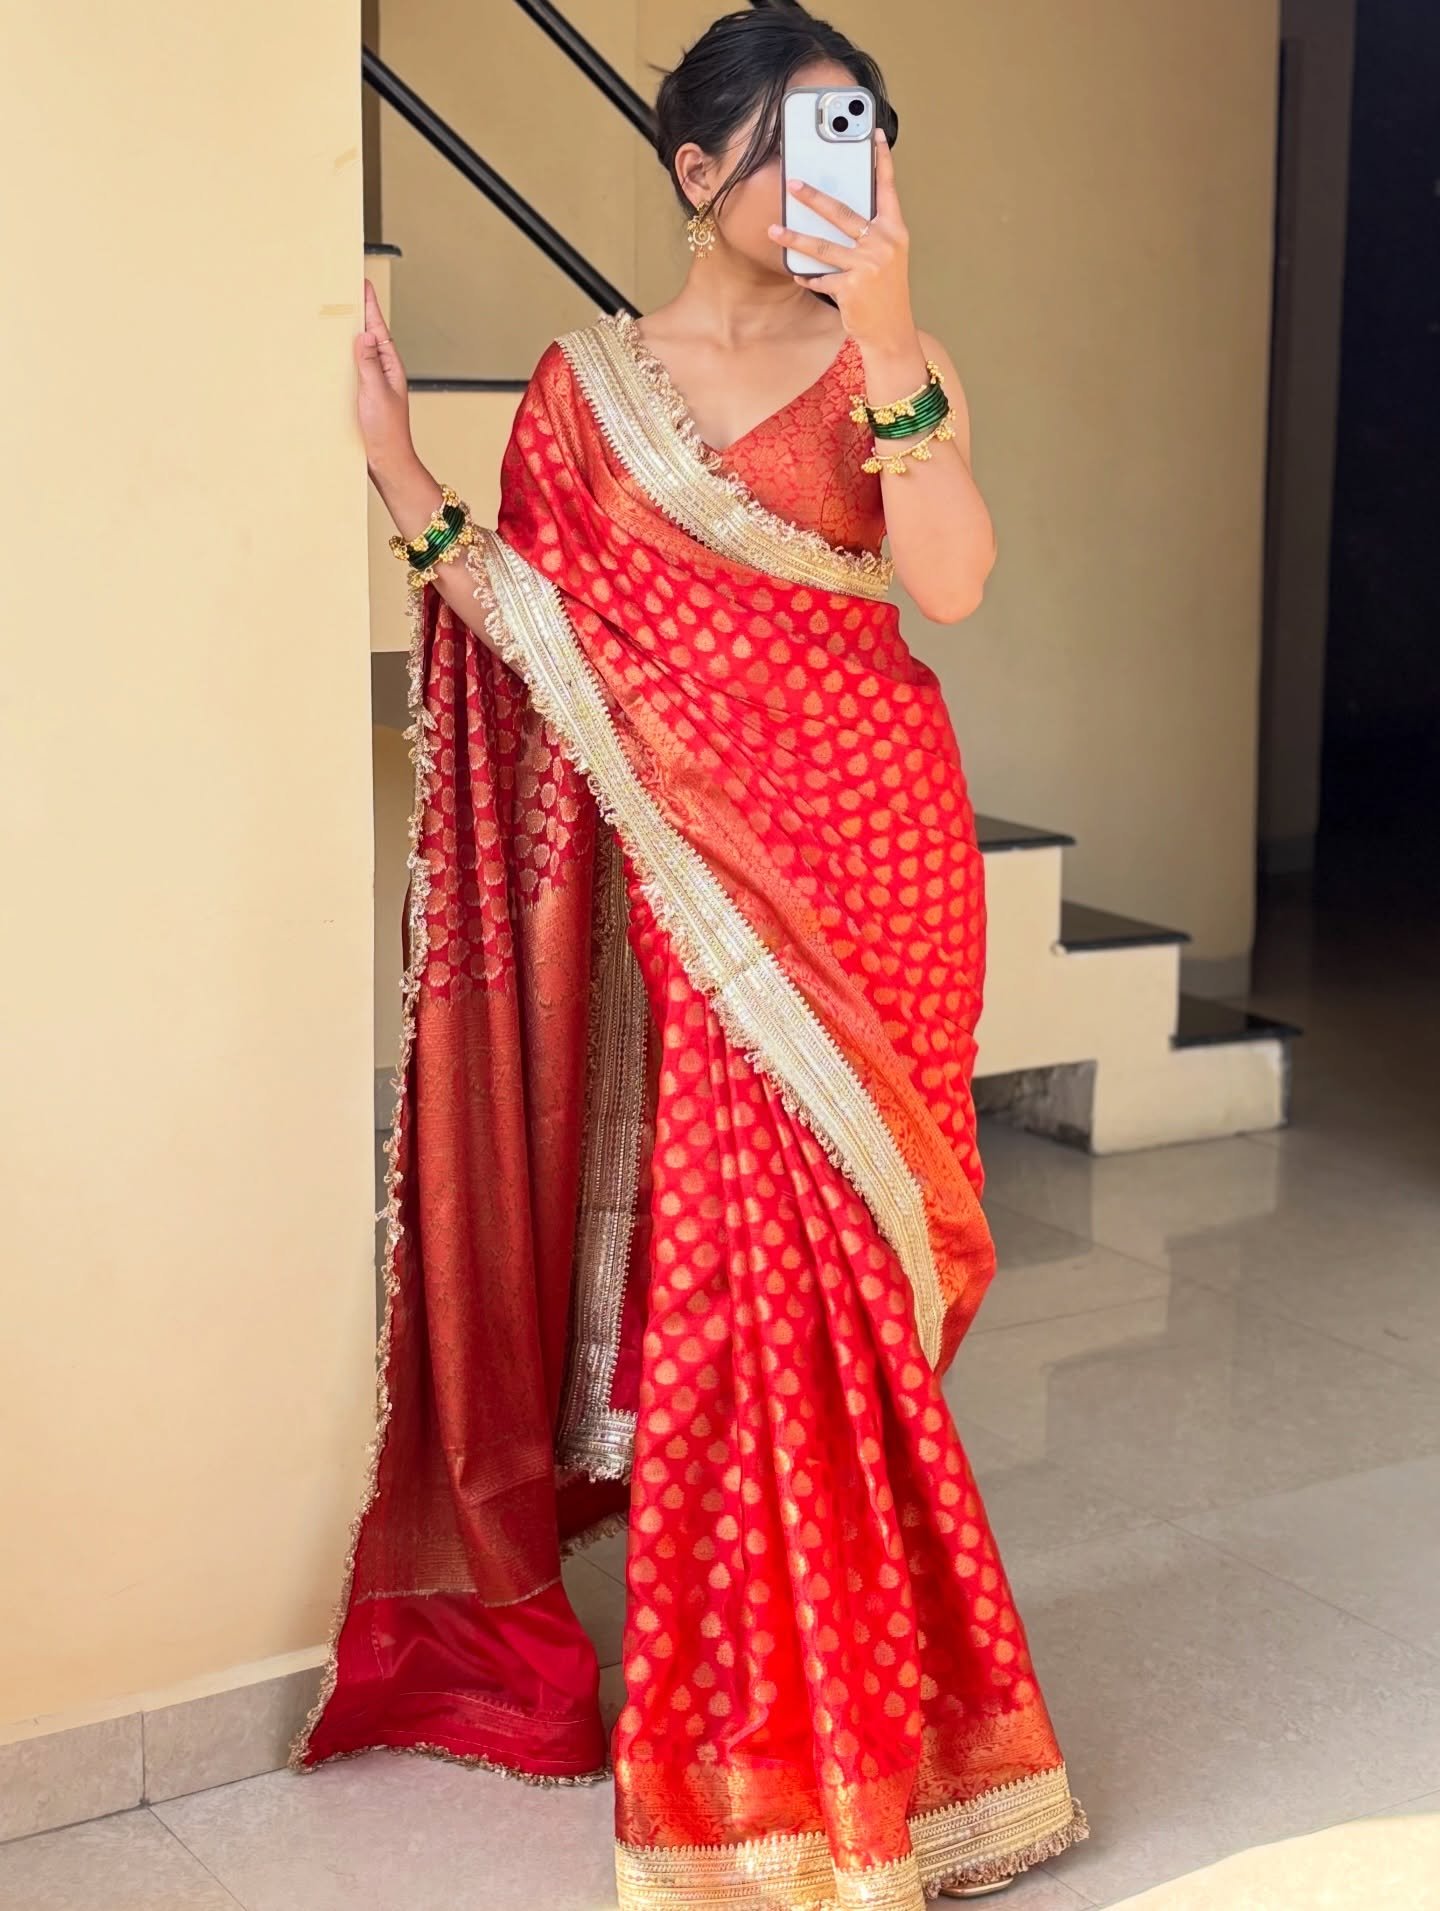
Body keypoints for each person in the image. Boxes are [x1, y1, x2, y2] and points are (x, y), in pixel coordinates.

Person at [288, 5, 1090, 1905]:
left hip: (881, 865)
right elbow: (541, 639)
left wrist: (892, 337)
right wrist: (400, 475)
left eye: (865, 139)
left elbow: (951, 580)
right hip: (710, 889)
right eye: (806, 140)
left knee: (858, 1319)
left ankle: (879, 1756)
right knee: (735, 1312)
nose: (840, 179)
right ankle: (773, 1777)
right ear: (698, 166)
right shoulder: (584, 393)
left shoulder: (894, 359)